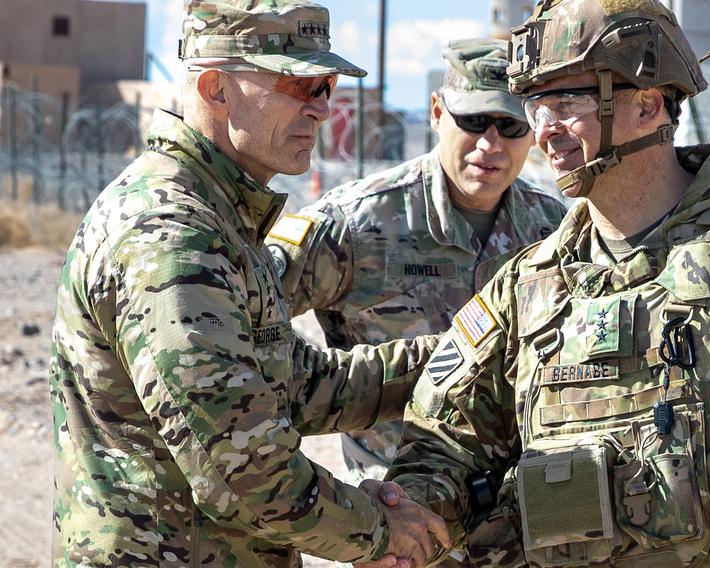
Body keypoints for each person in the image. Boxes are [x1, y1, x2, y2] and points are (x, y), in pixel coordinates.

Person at [379, 1, 710, 567]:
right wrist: (399, 516)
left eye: (567, 101)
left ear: (648, 104)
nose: (544, 132)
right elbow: (444, 448)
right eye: (536, 106)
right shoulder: (530, 286)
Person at [48, 1, 450, 567]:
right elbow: (241, 471)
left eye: (326, 86)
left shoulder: (222, 218)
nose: (320, 109)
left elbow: (299, 385)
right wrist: (379, 529)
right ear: (216, 88)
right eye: (299, 83)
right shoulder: (170, 235)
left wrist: (458, 358)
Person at [265, 38, 566, 493]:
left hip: (517, 513)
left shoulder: (554, 232)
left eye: (510, 126)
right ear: (437, 113)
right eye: (474, 121)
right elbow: (246, 315)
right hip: (402, 514)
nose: (490, 143)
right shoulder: (358, 224)